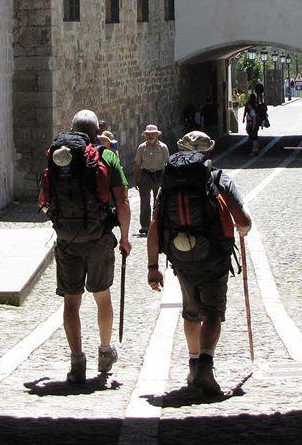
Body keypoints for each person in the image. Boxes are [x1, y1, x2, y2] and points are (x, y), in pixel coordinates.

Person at [147, 131, 252, 396]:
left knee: (190, 311)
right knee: (213, 312)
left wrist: (152, 267)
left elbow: (155, 226)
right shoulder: (218, 179)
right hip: (214, 257)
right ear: (209, 152)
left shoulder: (169, 183)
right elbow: (244, 222)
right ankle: (205, 364)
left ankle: (193, 366)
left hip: (181, 258)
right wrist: (242, 229)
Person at [39, 109, 132, 384]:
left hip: (67, 239)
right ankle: (105, 352)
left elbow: (43, 201)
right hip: (98, 237)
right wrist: (125, 238)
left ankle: (77, 360)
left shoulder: (57, 157)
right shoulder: (106, 157)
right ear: (96, 131)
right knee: (102, 295)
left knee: (71, 301)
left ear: (72, 129)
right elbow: (122, 201)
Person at [134, 124, 168, 237]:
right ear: (145, 136)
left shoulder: (163, 147)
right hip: (145, 175)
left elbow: (167, 165)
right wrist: (136, 179)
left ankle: (157, 224)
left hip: (159, 175)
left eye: (153, 134)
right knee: (144, 201)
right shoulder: (141, 148)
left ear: (157, 134)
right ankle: (145, 226)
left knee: (158, 201)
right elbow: (138, 164)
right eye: (148, 134)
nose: (150, 136)